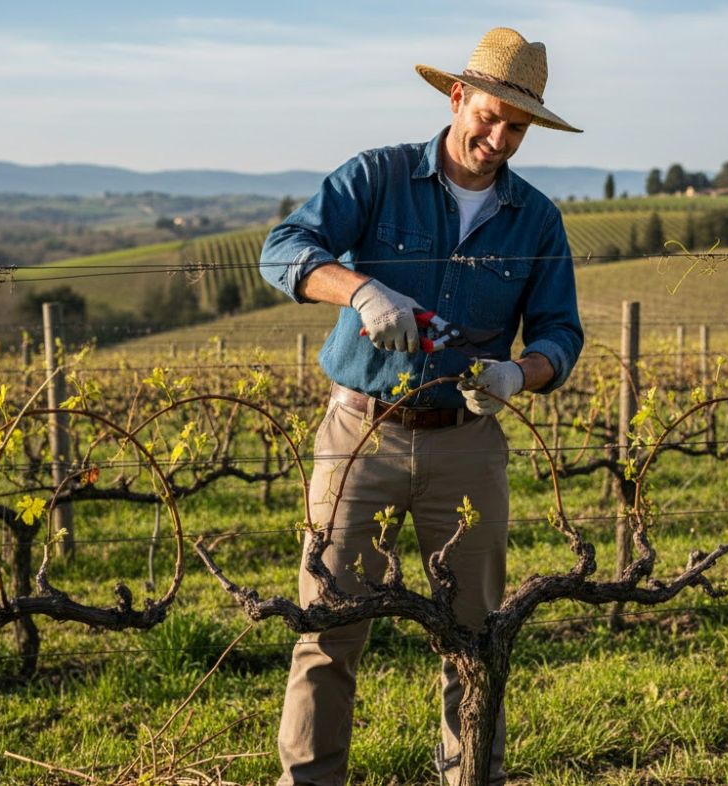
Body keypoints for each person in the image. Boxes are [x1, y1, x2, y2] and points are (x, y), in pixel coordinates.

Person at [259, 26, 584, 786]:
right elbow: (284, 247)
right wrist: (360, 289)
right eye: (490, 115)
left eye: (517, 126)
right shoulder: (376, 177)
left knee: (475, 637)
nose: (498, 137)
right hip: (360, 433)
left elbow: (562, 333)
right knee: (328, 628)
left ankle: (469, 776)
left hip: (467, 442)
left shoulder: (536, 220)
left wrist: (518, 374)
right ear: (457, 95)